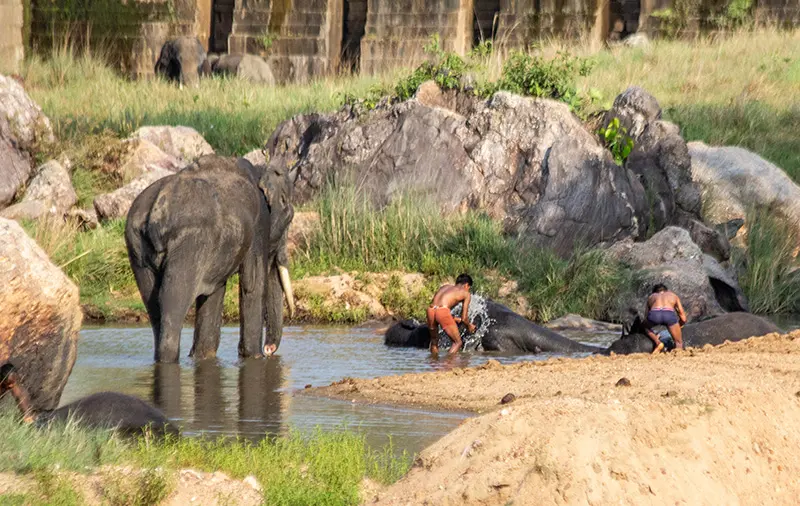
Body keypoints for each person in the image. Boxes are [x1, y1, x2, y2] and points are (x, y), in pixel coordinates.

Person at [426, 274, 477, 355]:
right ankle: (448, 364)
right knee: (457, 342)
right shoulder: (465, 293)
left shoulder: (444, 287)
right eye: (469, 288)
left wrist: (456, 319)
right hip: (442, 312)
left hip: (430, 310)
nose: (468, 290)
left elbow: (437, 309)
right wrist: (469, 326)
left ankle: (434, 364)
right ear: (466, 285)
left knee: (434, 340)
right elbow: (464, 318)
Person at [645, 284, 687, 354]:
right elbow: (683, 318)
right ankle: (678, 355)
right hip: (669, 314)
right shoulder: (673, 295)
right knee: (678, 342)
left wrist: (653, 333)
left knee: (645, 326)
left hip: (655, 313)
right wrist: (678, 327)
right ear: (666, 291)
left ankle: (658, 342)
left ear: (655, 292)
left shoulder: (651, 297)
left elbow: (646, 317)